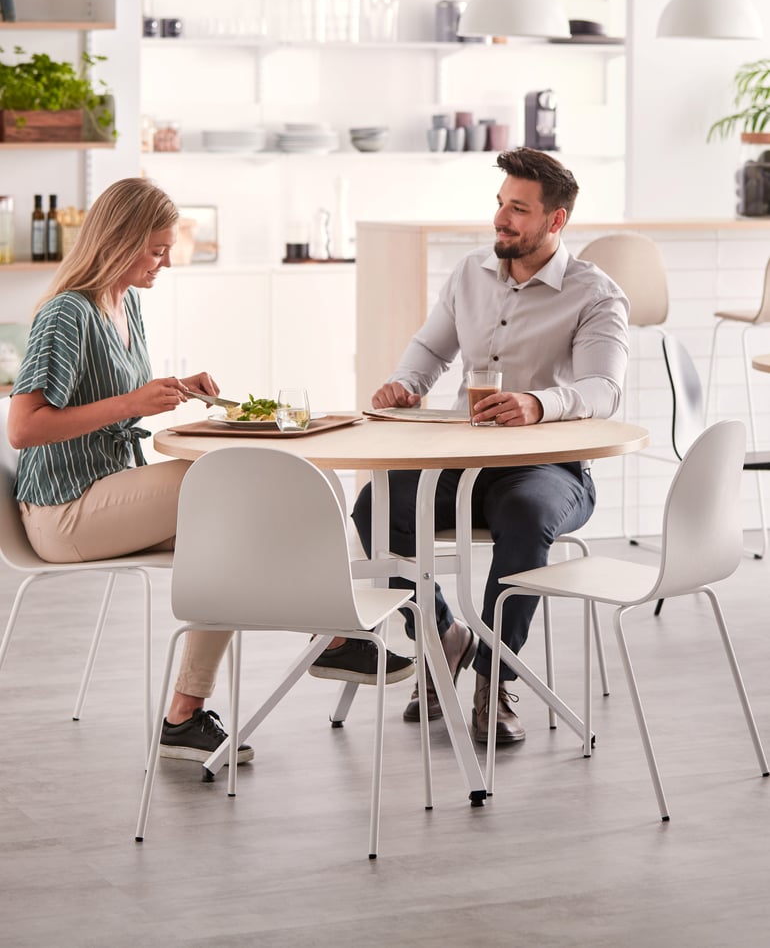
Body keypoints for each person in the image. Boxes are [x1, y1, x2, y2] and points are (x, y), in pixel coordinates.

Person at [6, 177, 413, 764]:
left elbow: (125, 393)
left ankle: (186, 715)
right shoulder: (68, 314)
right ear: (118, 242)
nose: (165, 262)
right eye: (156, 249)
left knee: (229, 538)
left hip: (107, 491)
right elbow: (23, 426)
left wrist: (170, 389)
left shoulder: (127, 304)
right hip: (63, 510)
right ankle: (334, 634)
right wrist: (131, 404)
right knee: (220, 486)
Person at [337, 148, 629, 745]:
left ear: (556, 221)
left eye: (518, 209)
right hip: (463, 459)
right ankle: (444, 637)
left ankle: (493, 677)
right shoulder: (470, 272)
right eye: (500, 204)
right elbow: (429, 350)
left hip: (548, 468)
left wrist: (538, 403)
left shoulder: (596, 294)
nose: (501, 218)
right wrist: (405, 384)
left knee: (524, 515)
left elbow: (604, 390)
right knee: (376, 507)